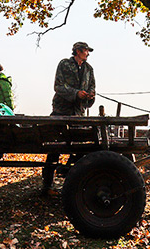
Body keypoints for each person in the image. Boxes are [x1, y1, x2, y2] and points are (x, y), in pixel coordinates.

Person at [41, 41, 96, 196]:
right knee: (54, 148)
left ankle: (74, 182)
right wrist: (75, 93)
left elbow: (92, 87)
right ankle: (47, 185)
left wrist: (90, 95)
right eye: (86, 50)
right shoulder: (64, 64)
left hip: (78, 113)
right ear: (77, 51)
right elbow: (58, 86)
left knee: (80, 148)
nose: (88, 53)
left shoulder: (89, 69)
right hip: (61, 111)